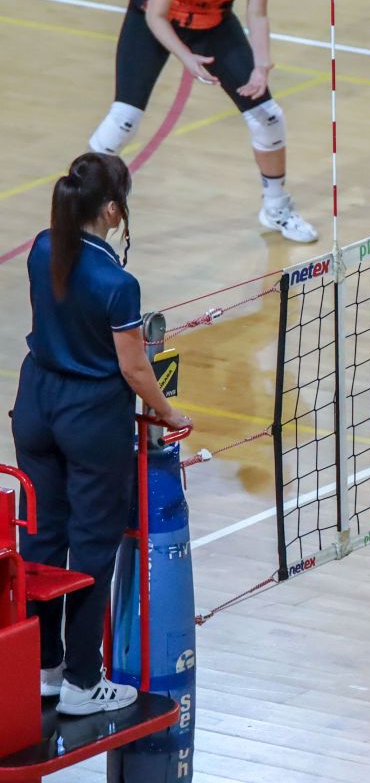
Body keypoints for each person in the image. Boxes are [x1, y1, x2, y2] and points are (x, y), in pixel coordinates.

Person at [12, 153, 194, 716]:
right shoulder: (118, 283)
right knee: (92, 544)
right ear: (112, 209)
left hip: (35, 404)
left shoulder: (43, 247)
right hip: (90, 418)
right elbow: (134, 368)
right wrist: (168, 413)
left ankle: (45, 669)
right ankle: (83, 683)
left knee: (41, 540)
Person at [88, 0, 316, 244]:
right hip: (153, 19)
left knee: (268, 117)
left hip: (213, 22)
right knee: (123, 121)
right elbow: (156, 16)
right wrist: (186, 57)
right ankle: (82, 210)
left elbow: (257, 12)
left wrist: (261, 67)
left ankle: (276, 208)